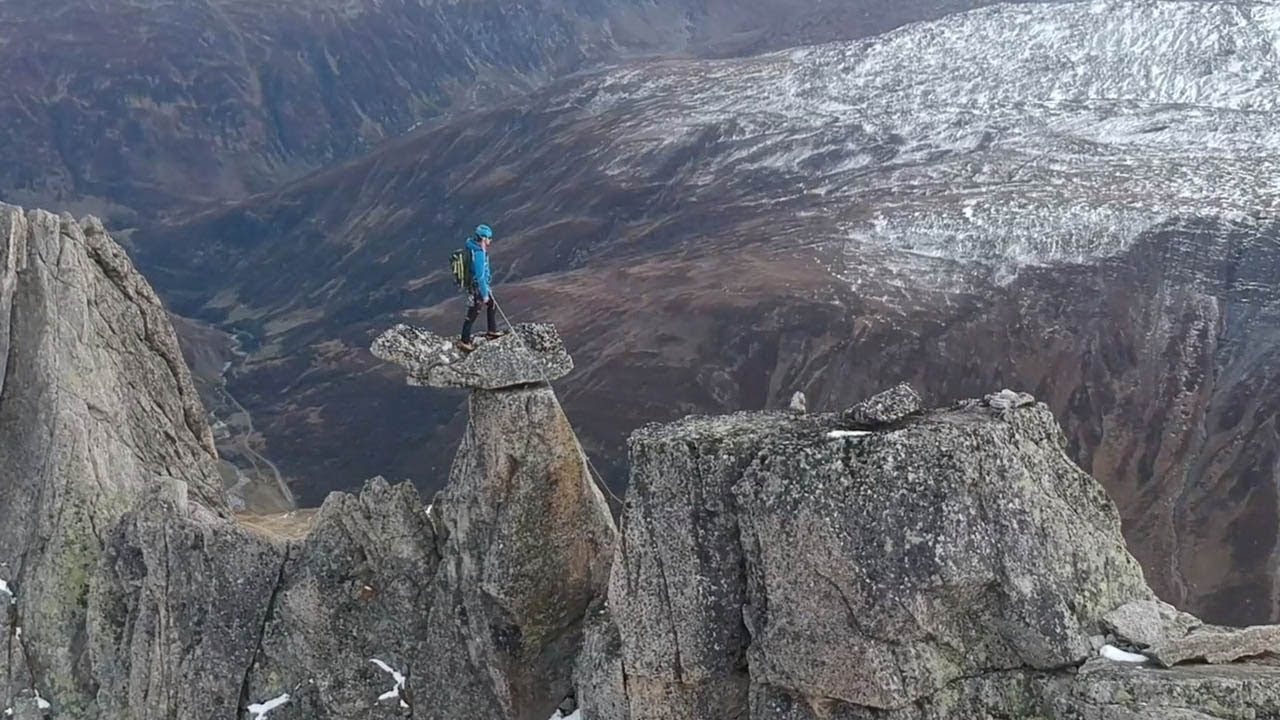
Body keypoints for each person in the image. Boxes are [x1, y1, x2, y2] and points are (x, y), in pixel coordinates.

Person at [458, 224, 505, 351]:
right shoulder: (478, 253)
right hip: (477, 288)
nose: (490, 241)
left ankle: (492, 330)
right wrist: (484, 294)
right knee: (473, 312)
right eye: (489, 238)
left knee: (492, 305)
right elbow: (480, 275)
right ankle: (464, 341)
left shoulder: (473, 248)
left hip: (476, 287)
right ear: (483, 238)